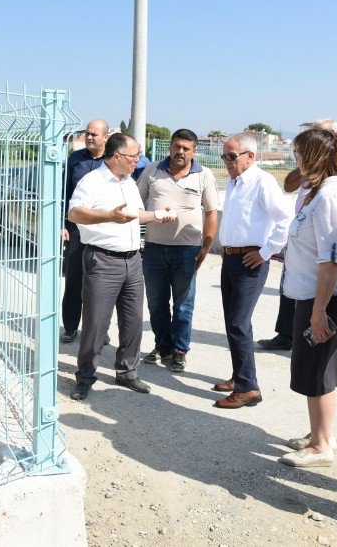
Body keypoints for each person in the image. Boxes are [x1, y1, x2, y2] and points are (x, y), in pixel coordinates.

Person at [277, 129, 337, 468]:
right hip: (314, 296)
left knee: (318, 370)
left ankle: (321, 445)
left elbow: (331, 260)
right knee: (315, 369)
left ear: (311, 157)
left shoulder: (329, 196)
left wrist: (318, 311)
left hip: (328, 298)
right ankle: (320, 434)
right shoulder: (319, 191)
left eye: (299, 154)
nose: (295, 160)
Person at [67, 133, 169, 401]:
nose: (138, 160)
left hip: (133, 260)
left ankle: (127, 372)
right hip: (103, 260)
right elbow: (74, 213)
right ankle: (85, 377)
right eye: (134, 155)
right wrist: (109, 216)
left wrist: (157, 215)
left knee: (133, 321)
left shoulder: (129, 182)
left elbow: (134, 214)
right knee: (96, 324)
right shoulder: (93, 181)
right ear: (117, 156)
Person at [259, 118, 337, 352]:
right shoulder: (317, 181)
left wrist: (318, 311)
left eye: (321, 134)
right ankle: (286, 334)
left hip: (324, 293)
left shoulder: (333, 190)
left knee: (317, 379)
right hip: (307, 269)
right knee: (310, 376)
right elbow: (289, 185)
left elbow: (331, 259)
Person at [212, 133, 291, 409]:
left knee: (238, 322)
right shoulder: (234, 183)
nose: (227, 162)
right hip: (231, 259)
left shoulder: (262, 182)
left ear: (250, 156)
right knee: (232, 321)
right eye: (225, 156)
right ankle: (239, 376)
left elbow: (284, 219)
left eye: (232, 156)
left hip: (251, 261)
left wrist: (267, 252)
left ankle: (248, 388)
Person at [137, 129, 219, 373]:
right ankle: (162, 346)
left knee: (183, 304)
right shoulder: (152, 170)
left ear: (194, 151)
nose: (180, 152)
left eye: (185, 148)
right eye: (176, 146)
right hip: (153, 249)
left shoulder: (203, 175)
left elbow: (212, 212)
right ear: (170, 147)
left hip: (187, 250)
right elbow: (135, 203)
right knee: (156, 303)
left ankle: (180, 351)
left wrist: (206, 245)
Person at [60, 119, 109, 344]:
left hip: (104, 229)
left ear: (105, 138)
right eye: (87, 133)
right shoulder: (75, 160)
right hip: (77, 229)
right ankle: (70, 327)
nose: (89, 137)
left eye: (94, 134)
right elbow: (63, 194)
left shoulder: (112, 161)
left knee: (100, 283)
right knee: (74, 280)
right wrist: (63, 224)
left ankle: (100, 329)